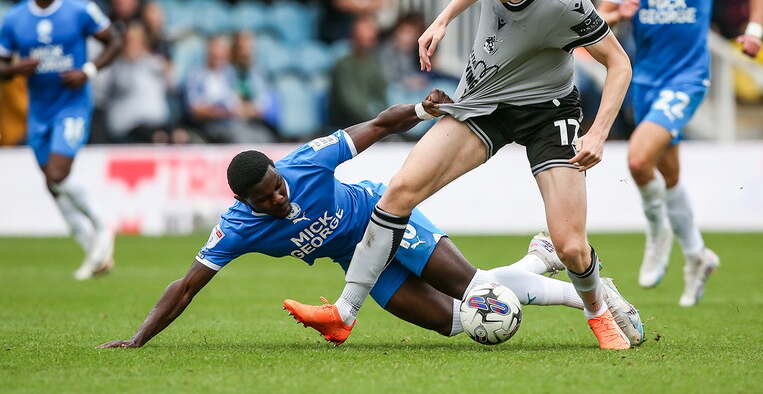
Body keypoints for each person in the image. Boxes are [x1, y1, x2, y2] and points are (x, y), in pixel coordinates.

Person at [291, 0, 637, 350]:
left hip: (548, 111)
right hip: (484, 103)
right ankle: (344, 313)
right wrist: (444, 19)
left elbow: (619, 63)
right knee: (399, 191)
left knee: (571, 247)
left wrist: (599, 132)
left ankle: (598, 312)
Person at [97, 92, 644, 348]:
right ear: (246, 203)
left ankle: (593, 299)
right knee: (458, 323)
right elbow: (187, 284)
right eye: (266, 201)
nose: (280, 201)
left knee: (477, 290)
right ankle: (536, 259)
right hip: (360, 264)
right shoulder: (238, 228)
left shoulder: (305, 162)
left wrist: (428, 111)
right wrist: (139, 339)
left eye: (278, 188)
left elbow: (377, 126)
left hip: (388, 221)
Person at [597, 0, 763, 306]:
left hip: (688, 78)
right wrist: (618, 12)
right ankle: (697, 255)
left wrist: (754, 30)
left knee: (639, 160)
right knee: (669, 176)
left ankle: (658, 236)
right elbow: (600, 16)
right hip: (645, 80)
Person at [0, 0, 122, 279]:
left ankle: (101, 226)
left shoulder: (80, 10)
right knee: (53, 184)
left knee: (58, 170)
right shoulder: (13, 20)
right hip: (38, 110)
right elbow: (1, 66)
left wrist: (89, 70)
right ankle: (92, 252)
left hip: (72, 105)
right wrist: (14, 69)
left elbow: (114, 40)